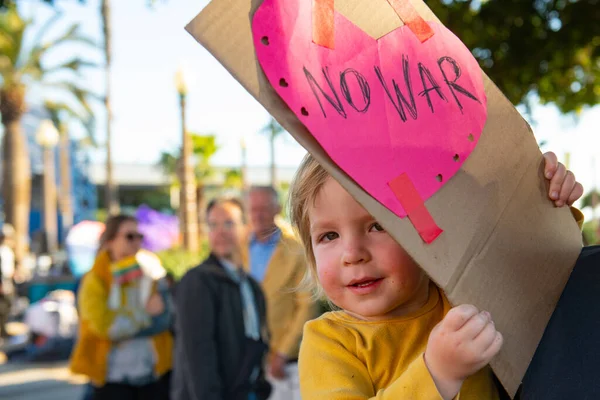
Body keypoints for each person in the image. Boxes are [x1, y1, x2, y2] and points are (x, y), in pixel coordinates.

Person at [288, 152, 582, 400]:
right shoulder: (329, 342)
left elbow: (539, 271)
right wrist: (437, 374)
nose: (352, 254)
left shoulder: (464, 293)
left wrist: (549, 200)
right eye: (328, 236)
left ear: (425, 230)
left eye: (379, 225)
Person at [172, 197, 271, 400]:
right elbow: (198, 354)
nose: (220, 231)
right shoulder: (198, 281)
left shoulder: (251, 286)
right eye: (213, 225)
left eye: (229, 223)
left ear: (246, 227)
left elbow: (258, 343)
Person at [70, 215, 173, 400]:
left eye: (139, 236)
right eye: (129, 236)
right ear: (110, 241)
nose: (136, 242)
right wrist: (146, 316)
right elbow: (105, 327)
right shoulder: (95, 279)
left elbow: (165, 319)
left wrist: (129, 322)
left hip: (152, 375)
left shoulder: (153, 271)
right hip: (112, 379)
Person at [247, 186, 318, 400]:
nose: (258, 215)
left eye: (264, 208)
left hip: (283, 360)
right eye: (253, 209)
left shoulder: (296, 249)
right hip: (246, 358)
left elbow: (307, 306)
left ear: (277, 208)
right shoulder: (239, 247)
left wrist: (283, 352)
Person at [0, 227, 15, 339]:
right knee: (3, 307)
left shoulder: (7, 251)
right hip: (3, 282)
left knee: (7, 306)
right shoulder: (2, 251)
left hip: (7, 281)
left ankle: (3, 329)